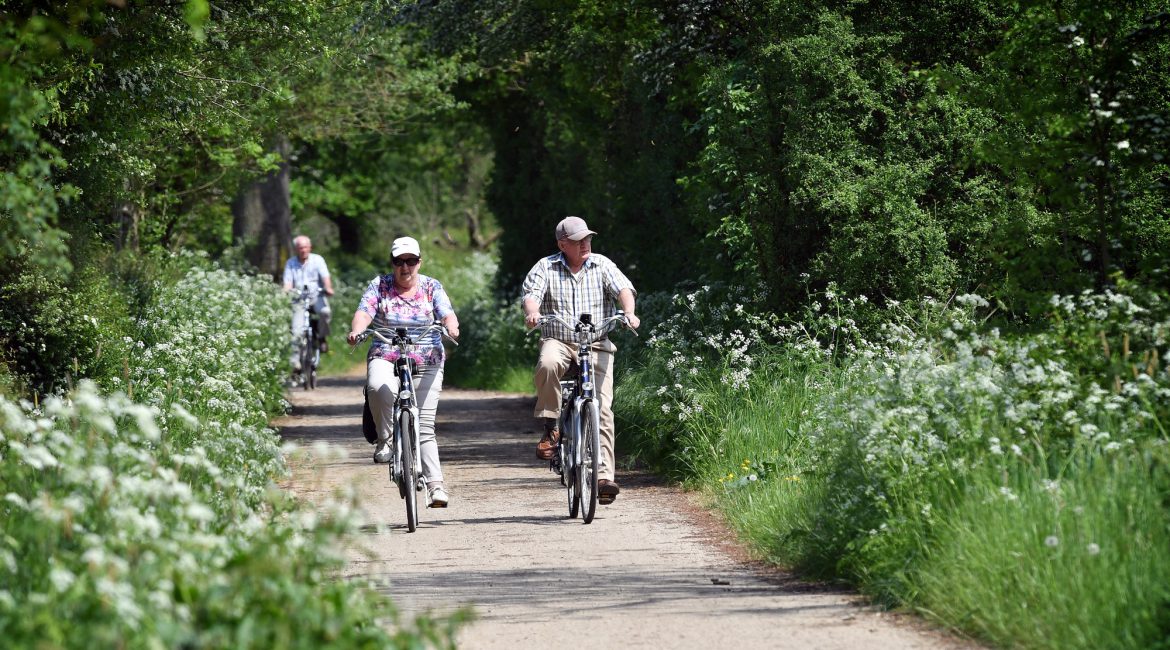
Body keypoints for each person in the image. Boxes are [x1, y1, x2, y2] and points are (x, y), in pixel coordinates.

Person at [521, 216, 640, 505]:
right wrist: (532, 313)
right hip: (559, 340)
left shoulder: (602, 264)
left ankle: (603, 477)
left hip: (596, 342)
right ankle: (551, 425)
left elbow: (624, 289)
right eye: (578, 240)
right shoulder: (546, 267)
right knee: (547, 363)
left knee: (602, 409)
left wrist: (629, 313)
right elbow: (532, 296)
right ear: (563, 245)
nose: (585, 243)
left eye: (587, 238)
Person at [347, 236, 461, 508]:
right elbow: (364, 311)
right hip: (387, 352)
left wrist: (451, 327)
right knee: (377, 387)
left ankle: (435, 487)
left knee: (424, 426)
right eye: (399, 261)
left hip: (427, 357)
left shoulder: (432, 286)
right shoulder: (380, 285)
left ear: (420, 262)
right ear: (392, 263)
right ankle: (385, 440)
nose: (405, 267)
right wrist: (357, 330)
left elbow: (447, 313)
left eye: (411, 261)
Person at [283, 235, 335, 370]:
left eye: (305, 247)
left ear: (310, 247)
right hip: (299, 299)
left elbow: (325, 277)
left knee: (325, 312)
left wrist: (328, 288)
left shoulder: (318, 260)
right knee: (296, 330)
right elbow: (287, 282)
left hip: (317, 296)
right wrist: (286, 291)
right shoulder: (291, 263)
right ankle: (295, 364)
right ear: (296, 249)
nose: (303, 250)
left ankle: (322, 337)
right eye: (300, 248)